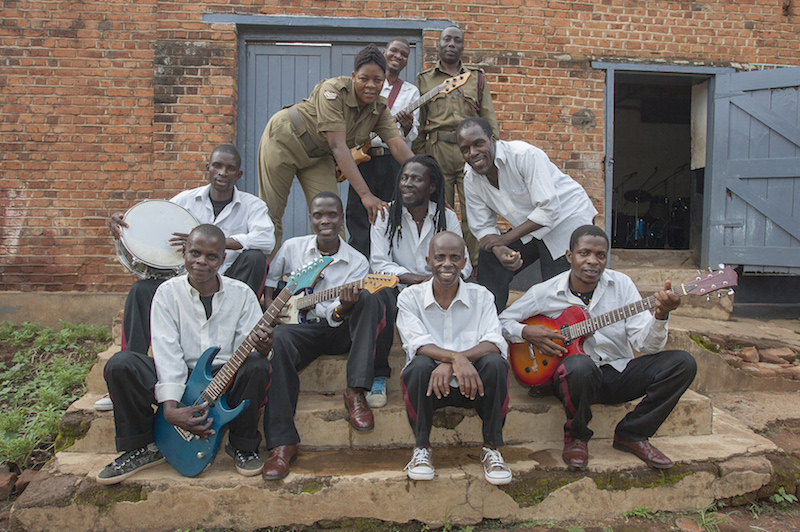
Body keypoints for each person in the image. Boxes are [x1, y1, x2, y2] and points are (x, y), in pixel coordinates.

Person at [499, 225, 697, 470]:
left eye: (600, 255)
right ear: (569, 256)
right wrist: (527, 331)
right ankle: (577, 437)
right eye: (584, 253)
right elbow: (501, 321)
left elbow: (646, 345)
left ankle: (632, 433)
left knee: (683, 363)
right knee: (581, 365)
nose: (592, 261)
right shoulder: (544, 292)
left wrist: (661, 315)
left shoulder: (622, 285)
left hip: (615, 373)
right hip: (569, 379)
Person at [97, 224, 274, 484]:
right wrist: (170, 408)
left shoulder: (243, 294)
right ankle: (142, 446)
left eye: (211, 256)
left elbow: (250, 351)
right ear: (185, 254)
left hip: (224, 376)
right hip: (182, 375)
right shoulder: (167, 293)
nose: (202, 261)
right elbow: (166, 351)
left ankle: (242, 445)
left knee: (257, 365)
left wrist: (264, 346)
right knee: (121, 364)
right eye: (195, 253)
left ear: (223, 259)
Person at [261, 192, 394, 480]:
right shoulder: (292, 248)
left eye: (332, 214)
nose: (325, 221)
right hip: (300, 328)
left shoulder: (356, 262)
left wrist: (345, 305)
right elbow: (270, 285)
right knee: (280, 339)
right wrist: (273, 310)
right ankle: (282, 442)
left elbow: (338, 316)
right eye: (319, 215)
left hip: (339, 328)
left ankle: (356, 390)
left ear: (341, 219)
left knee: (371, 299)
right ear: (310, 219)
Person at [108, 143, 274, 357]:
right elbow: (155, 232)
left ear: (239, 174)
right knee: (140, 291)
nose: (223, 172)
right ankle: (133, 362)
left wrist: (214, 241)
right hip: (183, 284)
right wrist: (125, 227)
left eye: (230, 168)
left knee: (255, 258)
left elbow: (266, 240)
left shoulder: (253, 206)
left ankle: (238, 335)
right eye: (217, 166)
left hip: (227, 287)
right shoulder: (184, 202)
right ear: (208, 168)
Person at [258, 44, 415, 252]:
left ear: (384, 81)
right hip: (285, 139)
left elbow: (397, 146)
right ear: (353, 76)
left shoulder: (379, 108)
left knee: (331, 219)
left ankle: (330, 277)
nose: (370, 85)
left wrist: (430, 176)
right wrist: (366, 194)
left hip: (318, 155)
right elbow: (338, 146)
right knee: (271, 215)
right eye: (363, 79)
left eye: (377, 80)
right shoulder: (333, 90)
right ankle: (265, 278)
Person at [397, 231, 512, 485]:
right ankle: (422, 449)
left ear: (464, 263)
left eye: (454, 257)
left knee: (496, 364)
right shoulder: (409, 297)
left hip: (475, 387)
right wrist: (455, 360)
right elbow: (416, 343)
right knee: (417, 367)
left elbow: (494, 342)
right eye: (440, 257)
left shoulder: (482, 296)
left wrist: (455, 362)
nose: (447, 264)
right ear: (428, 261)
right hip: (431, 389)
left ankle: (492, 449)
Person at [456, 117, 598, 312]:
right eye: (465, 149)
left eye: (479, 144)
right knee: (491, 259)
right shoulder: (471, 179)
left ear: (493, 139)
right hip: (531, 225)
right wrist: (499, 249)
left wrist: (505, 239)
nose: (473, 153)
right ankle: (489, 323)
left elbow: (549, 209)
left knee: (557, 288)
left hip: (567, 219)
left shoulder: (524, 155)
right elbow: (482, 227)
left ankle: (564, 333)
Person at [366, 154, 471, 408]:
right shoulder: (384, 215)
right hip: (397, 287)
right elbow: (379, 264)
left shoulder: (446, 218)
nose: (407, 184)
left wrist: (438, 280)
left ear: (432, 186)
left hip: (438, 288)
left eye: (416, 179)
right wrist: (415, 279)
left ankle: (458, 363)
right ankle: (378, 375)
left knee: (471, 293)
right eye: (404, 178)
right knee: (375, 297)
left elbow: (463, 264)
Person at [414, 26, 498, 267]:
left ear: (462, 46)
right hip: (437, 150)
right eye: (447, 39)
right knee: (439, 211)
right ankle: (441, 266)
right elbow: (420, 124)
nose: (452, 44)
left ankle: (474, 267)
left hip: (470, 154)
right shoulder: (425, 80)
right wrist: (420, 161)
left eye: (457, 40)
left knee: (475, 212)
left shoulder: (476, 77)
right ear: (438, 45)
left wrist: (494, 151)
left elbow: (488, 116)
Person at [346, 37, 420, 257]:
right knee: (358, 211)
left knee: (392, 210)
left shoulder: (410, 92)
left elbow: (413, 134)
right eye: (394, 51)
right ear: (384, 52)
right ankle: (359, 261)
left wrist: (406, 128)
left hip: (392, 159)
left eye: (404, 55)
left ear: (407, 61)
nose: (398, 56)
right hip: (363, 157)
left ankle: (386, 260)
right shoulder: (367, 85)